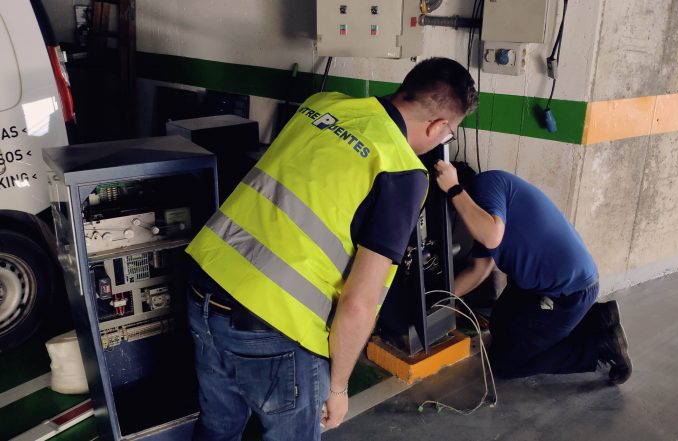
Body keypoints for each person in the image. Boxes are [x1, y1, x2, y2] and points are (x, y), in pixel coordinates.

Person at [185, 57, 478, 440]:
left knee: (217, 429)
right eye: (449, 134)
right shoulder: (403, 172)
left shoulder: (324, 105)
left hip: (204, 286)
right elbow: (359, 302)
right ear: (439, 126)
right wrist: (338, 389)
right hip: (275, 324)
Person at [434, 162, 633, 384]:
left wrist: (453, 189)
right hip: (537, 285)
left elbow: (492, 236)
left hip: (567, 292)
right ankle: (599, 316)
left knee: (505, 364)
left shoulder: (487, 183)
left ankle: (599, 347)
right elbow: (479, 269)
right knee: (500, 324)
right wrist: (438, 301)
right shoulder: (485, 212)